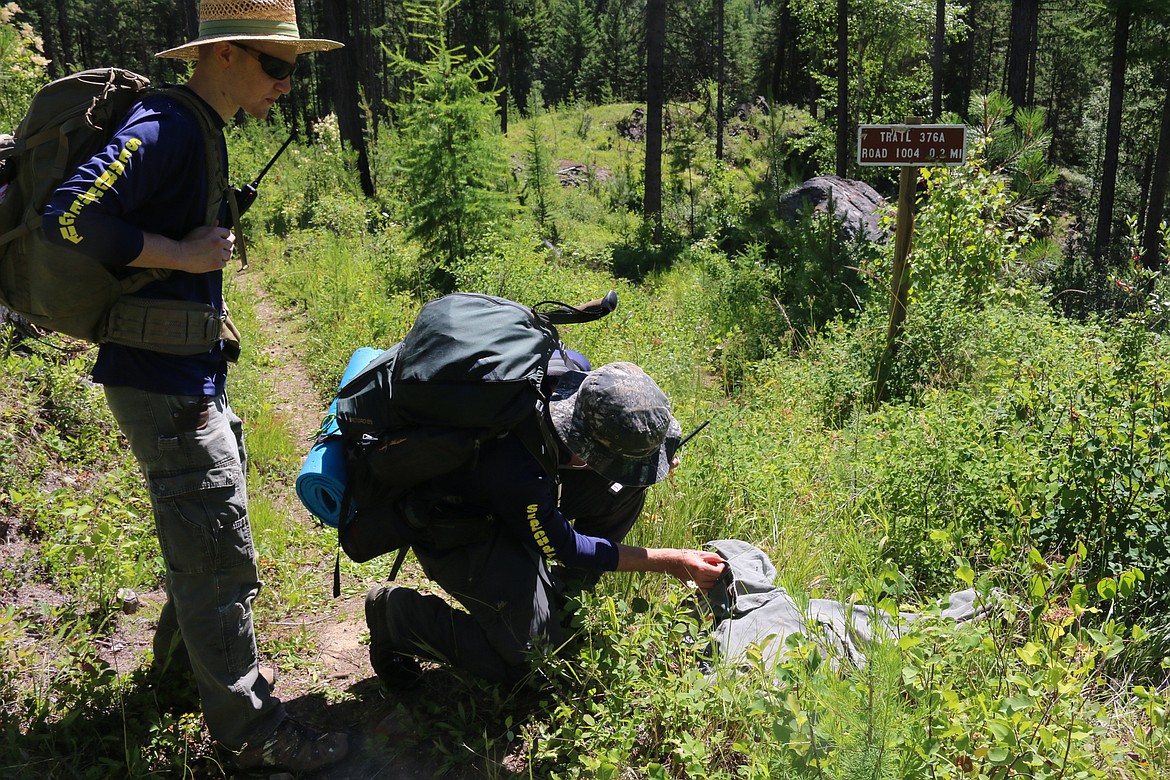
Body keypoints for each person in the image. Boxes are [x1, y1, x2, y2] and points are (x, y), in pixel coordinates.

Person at [41, 1, 347, 774]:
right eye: (275, 65)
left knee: (205, 533)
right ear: (222, 57)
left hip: (185, 374)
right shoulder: (166, 127)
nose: (287, 82)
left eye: (292, 67)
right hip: (162, 382)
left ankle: (181, 676)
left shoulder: (198, 129)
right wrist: (181, 254)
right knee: (217, 555)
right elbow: (69, 213)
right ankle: (251, 732)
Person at [365, 359, 727, 687]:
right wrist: (672, 561)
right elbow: (566, 545)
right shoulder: (519, 470)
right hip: (459, 526)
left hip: (513, 500)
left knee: (625, 488)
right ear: (586, 446)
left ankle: (563, 600)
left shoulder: (571, 380)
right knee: (536, 665)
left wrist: (641, 467)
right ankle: (396, 616)